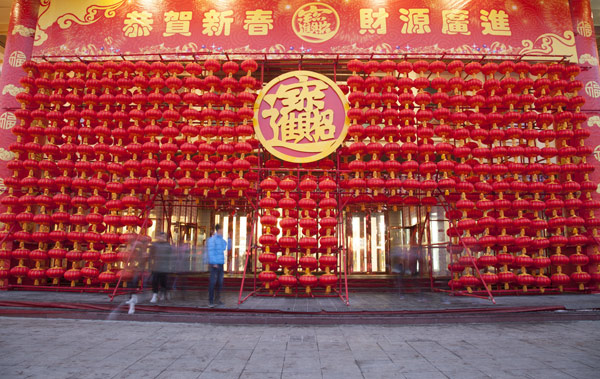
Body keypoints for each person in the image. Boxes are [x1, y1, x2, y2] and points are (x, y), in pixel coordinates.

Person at [124, 236, 149, 314]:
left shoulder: (140, 249)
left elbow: (141, 260)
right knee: (130, 281)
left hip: (138, 269)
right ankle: (132, 296)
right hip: (133, 268)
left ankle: (134, 296)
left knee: (134, 280)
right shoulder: (134, 249)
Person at [207, 224, 227, 307]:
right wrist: (214, 262)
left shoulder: (221, 239)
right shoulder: (212, 240)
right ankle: (211, 300)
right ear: (218, 230)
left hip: (220, 263)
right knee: (213, 282)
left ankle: (217, 299)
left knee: (220, 282)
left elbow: (224, 248)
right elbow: (211, 251)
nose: (222, 232)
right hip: (215, 264)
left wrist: (227, 240)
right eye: (222, 230)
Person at [149, 232, 172, 304]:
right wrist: (150, 265)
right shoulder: (154, 245)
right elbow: (151, 255)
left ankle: (163, 293)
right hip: (156, 266)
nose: (161, 238)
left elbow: (170, 256)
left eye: (163, 237)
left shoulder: (167, 246)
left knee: (163, 281)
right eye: (160, 236)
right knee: (155, 281)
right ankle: (155, 294)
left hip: (164, 266)